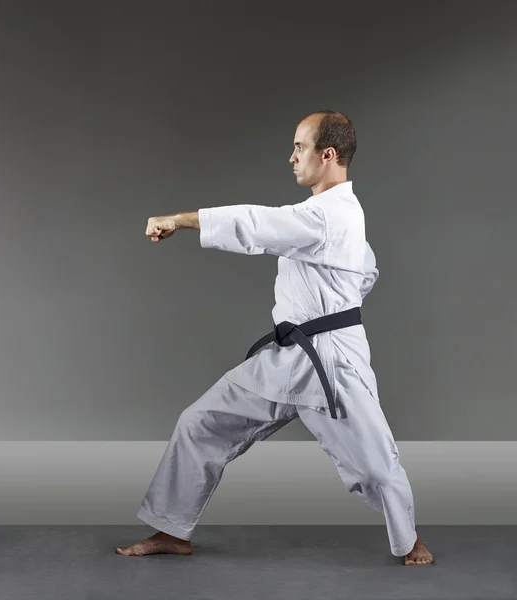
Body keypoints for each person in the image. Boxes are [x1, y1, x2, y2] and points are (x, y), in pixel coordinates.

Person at [116, 110, 434, 565]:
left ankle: (410, 542)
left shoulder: (330, 215)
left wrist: (183, 219)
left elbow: (258, 225)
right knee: (200, 423)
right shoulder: (330, 215)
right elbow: (367, 268)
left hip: (330, 363)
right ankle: (172, 530)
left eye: (300, 147)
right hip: (287, 356)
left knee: (375, 463)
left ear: (329, 154)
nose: (292, 157)